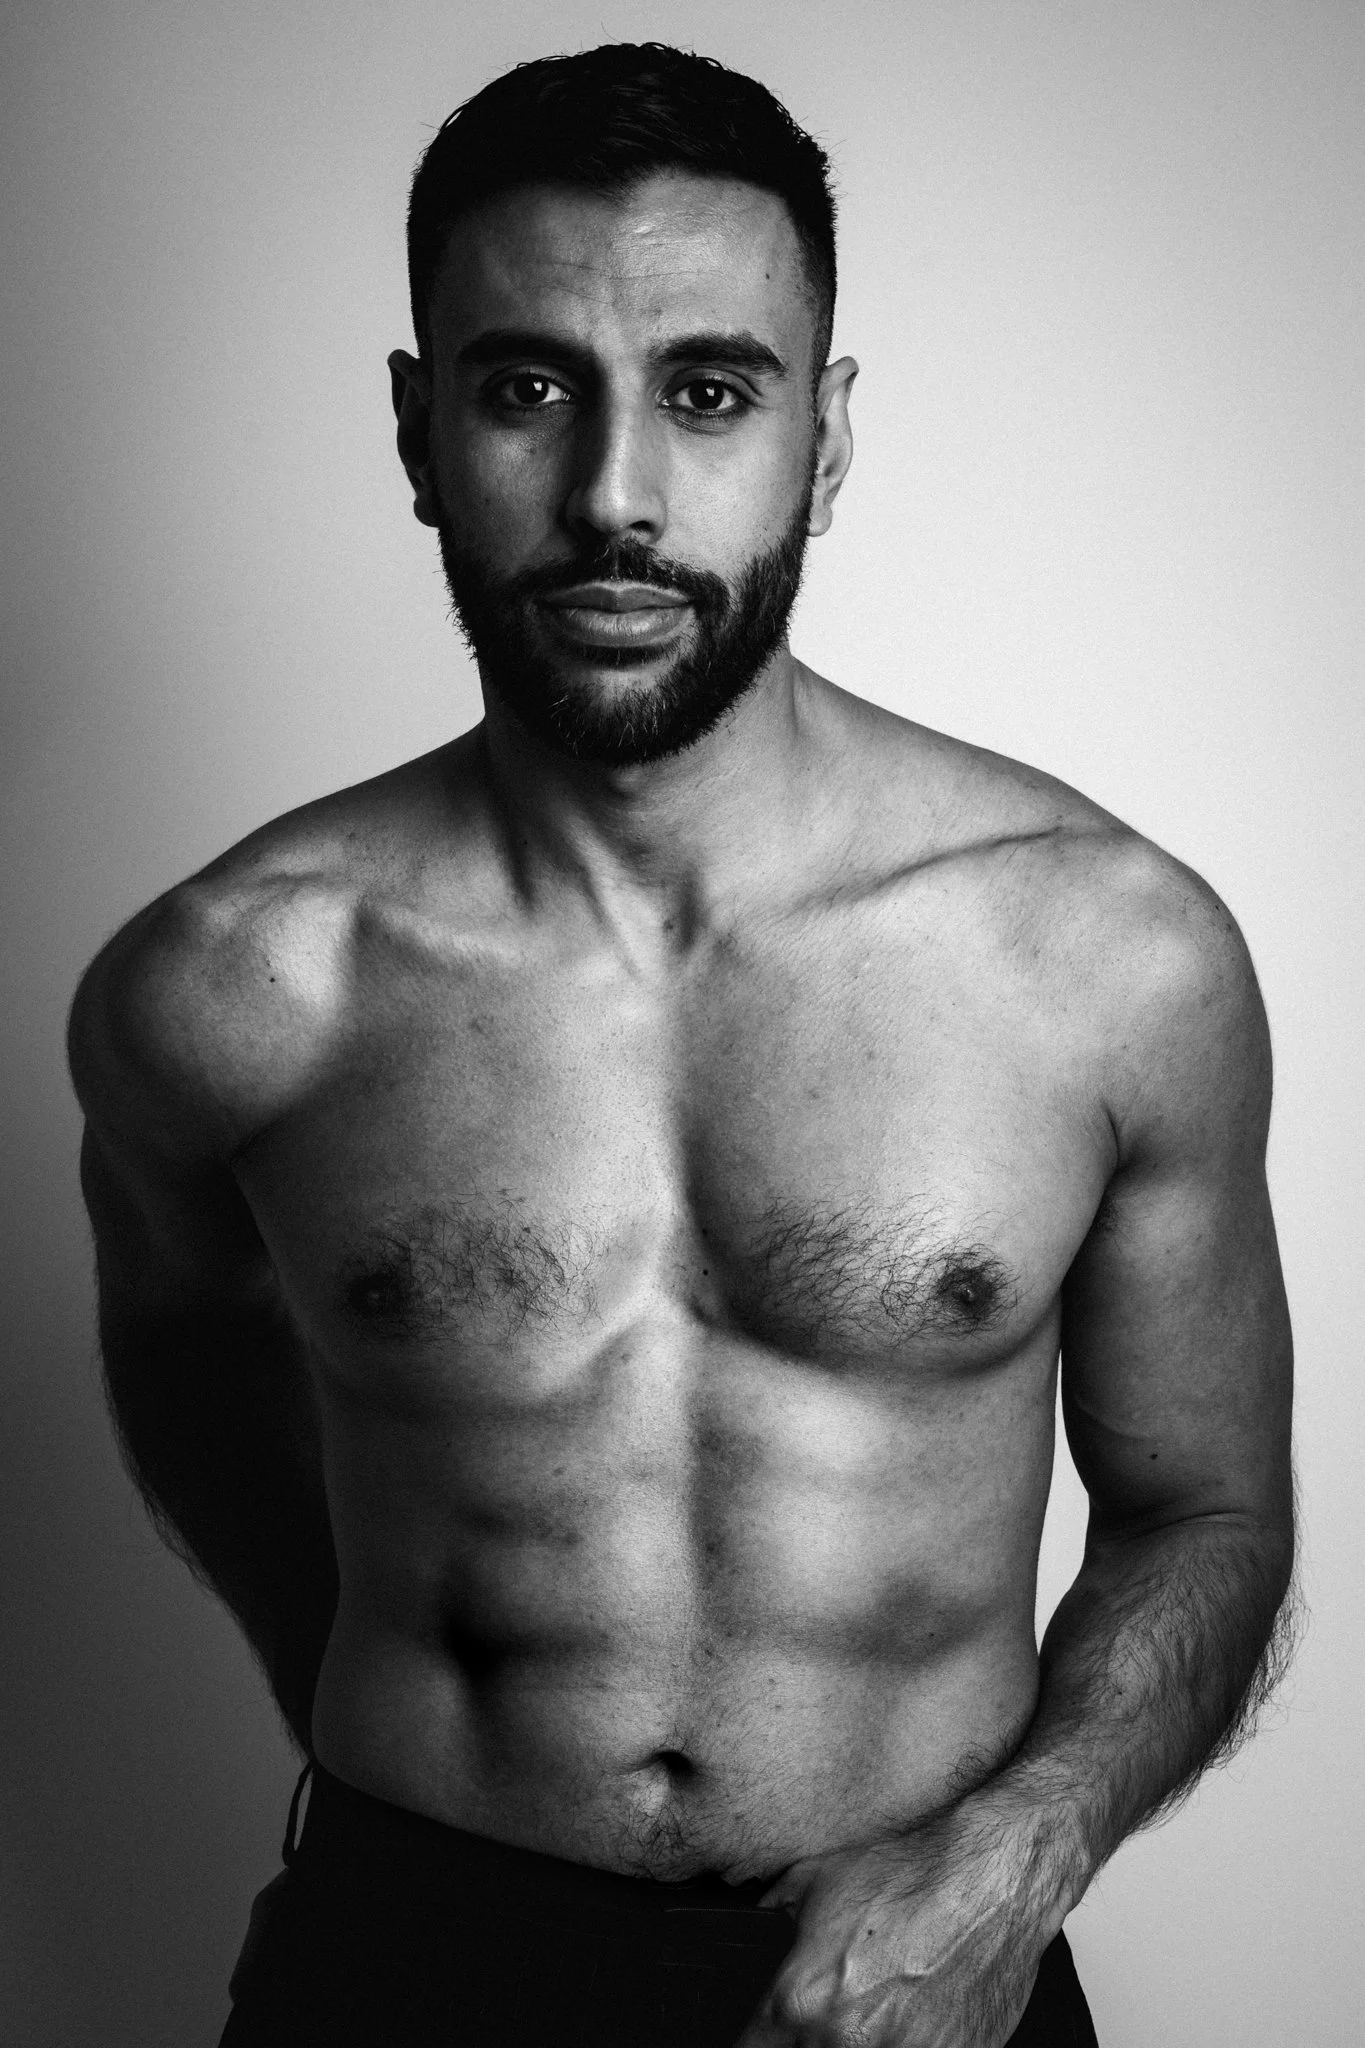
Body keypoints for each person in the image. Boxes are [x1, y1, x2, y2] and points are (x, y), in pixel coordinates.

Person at [68, 42, 1296, 2048]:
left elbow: (1207, 1513)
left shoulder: (1104, 959)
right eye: (526, 388)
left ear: (825, 435)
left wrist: (1016, 1859)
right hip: (404, 1957)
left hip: (910, 1968)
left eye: (710, 390)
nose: (614, 496)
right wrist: (381, 1732)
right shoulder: (234, 989)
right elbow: (185, 1359)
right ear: (418, 429)